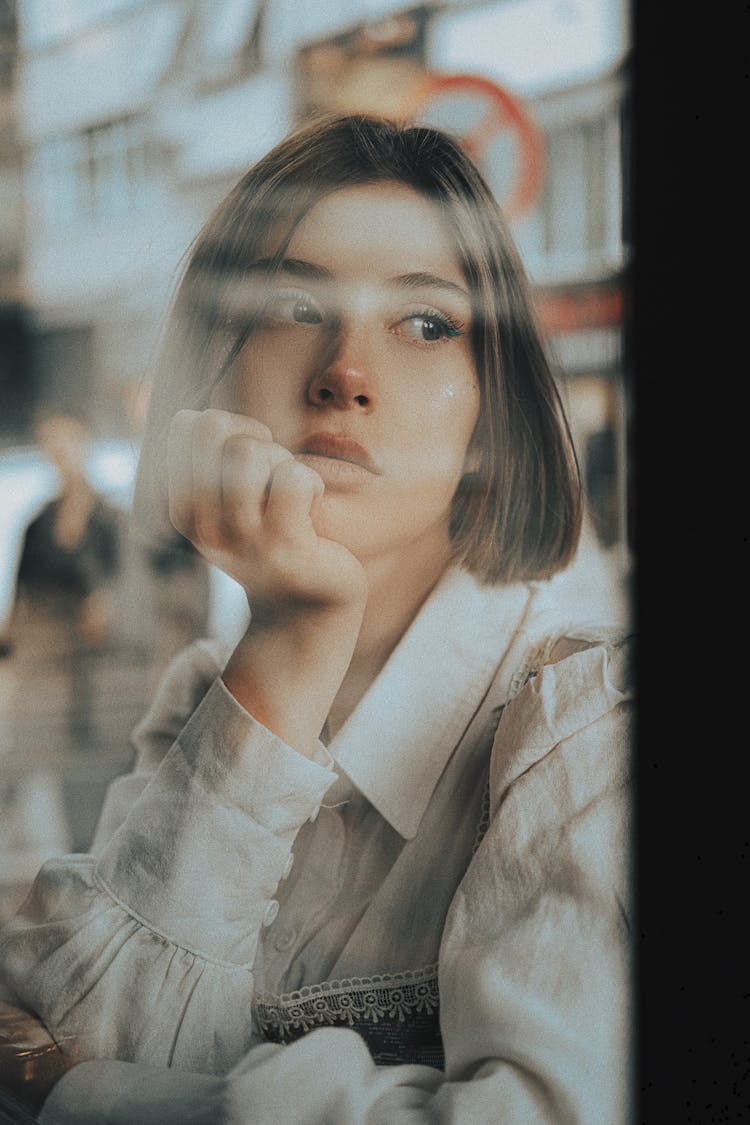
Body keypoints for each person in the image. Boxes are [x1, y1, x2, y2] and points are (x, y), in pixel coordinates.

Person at [0, 114, 633, 1124]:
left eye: (426, 323)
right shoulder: (206, 698)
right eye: (296, 304)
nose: (345, 371)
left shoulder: (591, 733)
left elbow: (65, 1075)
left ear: (490, 418)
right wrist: (291, 644)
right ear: (217, 368)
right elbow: (90, 1031)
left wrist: (97, 1095)